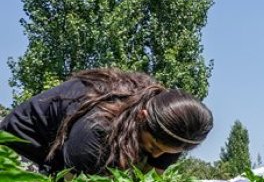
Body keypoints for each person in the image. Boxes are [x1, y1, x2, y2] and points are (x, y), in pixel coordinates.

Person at [0, 68, 213, 176]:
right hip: (20, 148)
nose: (157, 155)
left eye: (167, 152)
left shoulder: (172, 136)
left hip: (62, 155)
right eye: (154, 146)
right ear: (142, 117)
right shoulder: (98, 126)